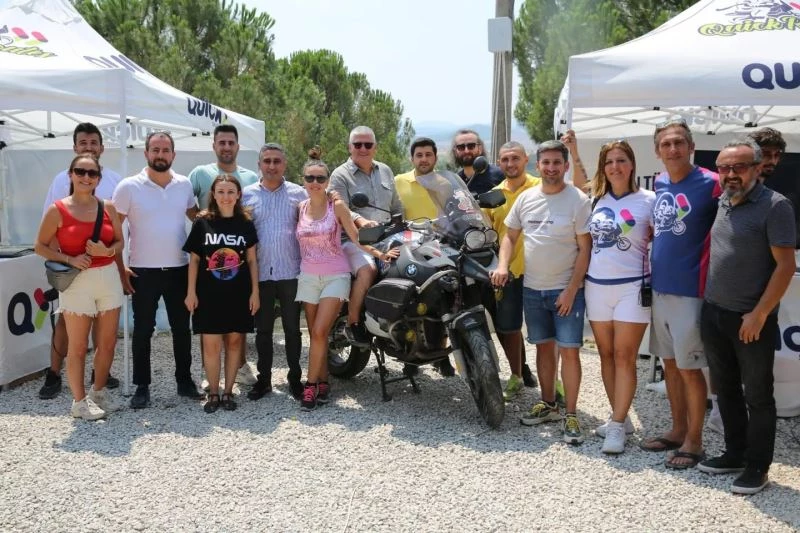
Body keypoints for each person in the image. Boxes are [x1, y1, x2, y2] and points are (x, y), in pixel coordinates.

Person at [698, 139, 796, 495]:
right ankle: (735, 454)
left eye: (738, 167)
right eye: (724, 167)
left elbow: (785, 267)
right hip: (714, 312)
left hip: (750, 319)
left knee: (758, 395)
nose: (730, 174)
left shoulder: (775, 206)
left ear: (757, 168)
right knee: (725, 390)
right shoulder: (724, 200)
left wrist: (759, 314)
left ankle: (758, 467)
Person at [492, 140, 592, 445]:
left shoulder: (578, 200)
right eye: (546, 163)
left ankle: (571, 414)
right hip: (533, 289)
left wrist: (571, 290)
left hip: (566, 291)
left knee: (570, 351)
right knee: (543, 349)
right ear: (538, 165)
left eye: (556, 162)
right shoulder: (526, 199)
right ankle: (548, 404)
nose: (551, 168)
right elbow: (510, 236)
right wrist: (502, 265)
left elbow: (585, 249)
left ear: (565, 166)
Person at [641, 119, 720, 470]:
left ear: (691, 147)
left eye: (678, 142)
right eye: (666, 144)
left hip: (692, 291)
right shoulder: (660, 183)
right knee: (670, 366)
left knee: (690, 369)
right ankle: (677, 430)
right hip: (661, 288)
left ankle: (695, 442)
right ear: (657, 151)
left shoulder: (712, 183)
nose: (672, 149)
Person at [295, 150, 399, 410]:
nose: (315, 182)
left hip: (335, 275)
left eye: (320, 178)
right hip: (308, 276)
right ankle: (323, 382)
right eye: (310, 178)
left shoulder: (337, 206)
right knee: (316, 335)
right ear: (303, 180)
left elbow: (355, 238)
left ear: (328, 181)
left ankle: (310, 386)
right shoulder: (300, 208)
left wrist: (380, 255)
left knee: (320, 331)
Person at [112, 131, 202, 409]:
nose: (160, 154)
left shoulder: (184, 184)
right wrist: (121, 268)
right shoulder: (128, 187)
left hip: (178, 269)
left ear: (173, 154)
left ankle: (184, 381)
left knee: (182, 329)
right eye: (155, 149)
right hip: (142, 271)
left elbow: (197, 218)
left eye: (165, 150)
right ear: (146, 153)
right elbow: (114, 231)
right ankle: (142, 386)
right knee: (142, 331)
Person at [35, 153, 124, 420]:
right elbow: (40, 246)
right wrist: (69, 258)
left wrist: (106, 251)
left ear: (98, 178)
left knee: (107, 343)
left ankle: (98, 393)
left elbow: (119, 242)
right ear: (71, 175)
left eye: (92, 173)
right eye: (80, 172)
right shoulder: (57, 210)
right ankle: (79, 402)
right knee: (77, 346)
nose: (86, 177)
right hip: (77, 281)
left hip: (107, 277)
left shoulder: (108, 207)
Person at [584, 140, 655, 454]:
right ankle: (620, 417)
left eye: (621, 160)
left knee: (625, 356)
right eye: (609, 161)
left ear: (632, 164)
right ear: (603, 167)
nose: (615, 166)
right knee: (606, 355)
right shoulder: (595, 199)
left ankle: (615, 426)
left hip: (633, 287)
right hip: (596, 286)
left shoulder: (649, 200)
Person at [188, 124, 260, 387]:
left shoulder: (250, 177)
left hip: (238, 265)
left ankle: (240, 367)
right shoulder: (200, 173)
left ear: (237, 146)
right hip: (210, 267)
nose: (226, 147)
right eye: (222, 142)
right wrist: (205, 223)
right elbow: (188, 204)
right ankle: (210, 377)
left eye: (231, 142)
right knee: (210, 333)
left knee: (236, 333)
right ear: (214, 145)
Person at [184, 175, 259, 413]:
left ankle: (228, 392)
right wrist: (190, 292)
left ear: (238, 195)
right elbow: (194, 260)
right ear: (214, 195)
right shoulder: (202, 223)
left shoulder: (246, 223)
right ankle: (214, 392)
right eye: (221, 192)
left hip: (239, 293)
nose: (226, 197)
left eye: (230, 192)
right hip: (208, 294)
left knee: (235, 343)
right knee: (211, 345)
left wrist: (255, 292)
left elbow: (252, 260)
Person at [242, 143, 306, 401]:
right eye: (267, 161)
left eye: (276, 161)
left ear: (284, 164)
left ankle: (295, 380)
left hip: (291, 270)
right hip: (260, 274)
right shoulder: (246, 195)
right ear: (259, 164)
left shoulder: (299, 194)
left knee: (293, 330)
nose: (271, 166)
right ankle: (264, 380)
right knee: (263, 331)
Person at [329, 126, 403, 348]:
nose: (363, 148)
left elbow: (396, 205)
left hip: (387, 236)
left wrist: (405, 225)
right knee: (368, 269)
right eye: (358, 144)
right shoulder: (340, 174)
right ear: (349, 147)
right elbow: (339, 208)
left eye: (368, 144)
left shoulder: (385, 170)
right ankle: (353, 324)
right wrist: (361, 220)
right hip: (354, 239)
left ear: (375, 148)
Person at [393, 137, 456, 376]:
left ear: (435, 157)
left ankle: (441, 355)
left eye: (428, 155)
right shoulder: (399, 181)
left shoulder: (445, 183)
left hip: (441, 246)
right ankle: (410, 357)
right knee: (411, 300)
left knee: (445, 299)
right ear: (412, 159)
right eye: (419, 155)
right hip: (410, 247)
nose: (424, 159)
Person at [485, 141, 541, 400]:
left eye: (515, 158)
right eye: (505, 159)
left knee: (546, 333)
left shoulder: (542, 187)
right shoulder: (492, 196)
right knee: (509, 328)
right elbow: (487, 234)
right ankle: (516, 376)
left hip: (543, 272)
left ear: (526, 159)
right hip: (508, 272)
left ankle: (554, 382)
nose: (510, 164)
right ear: (499, 163)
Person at [747, 127, 800, 248]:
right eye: (766, 154)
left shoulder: (778, 203)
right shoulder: (726, 195)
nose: (773, 160)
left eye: (777, 155)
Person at [450, 129, 504, 195]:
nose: (466, 151)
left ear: (480, 149)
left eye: (471, 146)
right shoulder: (455, 182)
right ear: (455, 151)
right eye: (461, 147)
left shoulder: (499, 175)